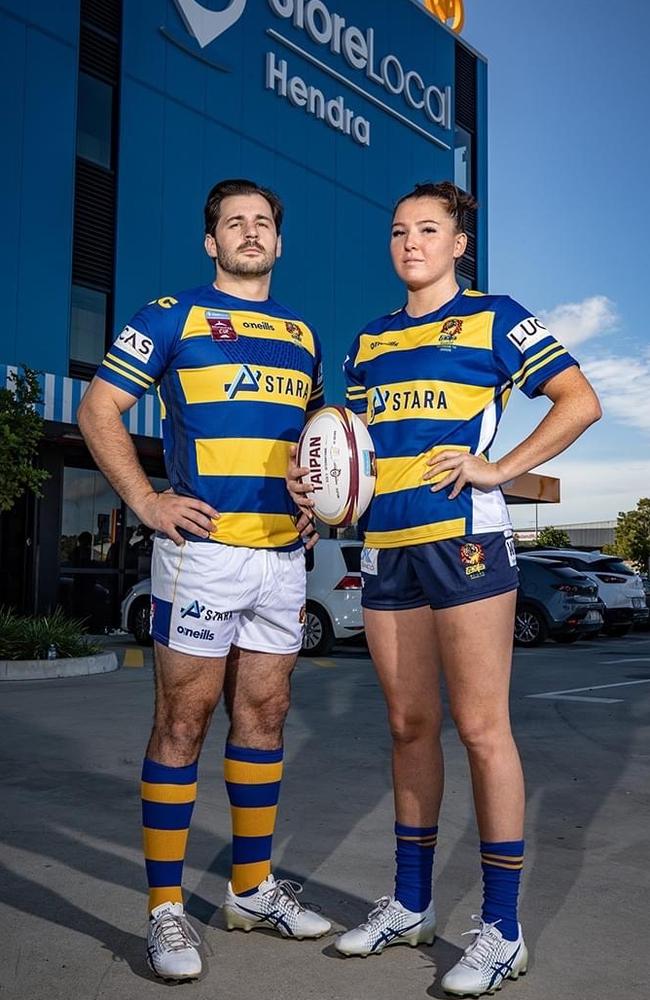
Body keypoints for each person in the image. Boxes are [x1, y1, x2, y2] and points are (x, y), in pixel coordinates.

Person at [289, 181, 601, 996]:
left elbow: (580, 400)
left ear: (460, 242)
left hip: (465, 544)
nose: (410, 242)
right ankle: (411, 904)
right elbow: (349, 450)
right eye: (398, 231)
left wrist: (498, 468)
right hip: (386, 547)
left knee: (482, 727)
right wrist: (318, 487)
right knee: (406, 725)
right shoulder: (368, 341)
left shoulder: (496, 317)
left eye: (428, 229)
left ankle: (503, 930)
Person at [78, 178, 329, 982]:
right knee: (183, 719)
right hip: (204, 552)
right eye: (233, 223)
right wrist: (147, 501)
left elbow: (312, 449)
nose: (250, 232)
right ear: (210, 242)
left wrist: (317, 504)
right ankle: (165, 912)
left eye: (263, 223)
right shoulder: (171, 315)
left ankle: (251, 888)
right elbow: (97, 408)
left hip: (282, 557)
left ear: (279, 244)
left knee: (265, 713)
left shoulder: (302, 335)